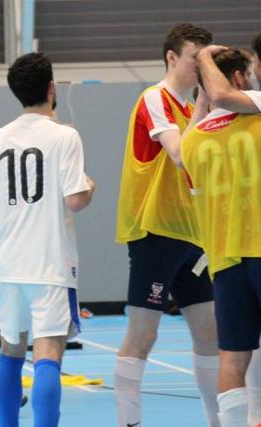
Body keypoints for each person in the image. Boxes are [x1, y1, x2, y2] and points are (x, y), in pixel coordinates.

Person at [113, 23, 221, 427]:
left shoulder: (199, 103)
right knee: (143, 337)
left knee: (210, 335)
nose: (201, 67)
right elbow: (181, 154)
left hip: (194, 237)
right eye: (196, 58)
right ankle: (129, 422)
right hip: (155, 233)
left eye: (207, 59)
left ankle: (217, 421)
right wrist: (204, 106)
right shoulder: (154, 99)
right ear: (172, 58)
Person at [0, 52, 94, 427]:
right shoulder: (66, 136)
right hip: (49, 263)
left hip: (8, 264)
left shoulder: (1, 136)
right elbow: (75, 199)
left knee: (10, 353)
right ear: (51, 88)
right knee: (48, 354)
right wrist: (90, 186)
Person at [183, 47, 261, 427]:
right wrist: (208, 65)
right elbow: (224, 97)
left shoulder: (193, 140)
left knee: (232, 357)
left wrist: (202, 86)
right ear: (237, 79)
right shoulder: (258, 105)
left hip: (225, 260)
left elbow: (207, 112)